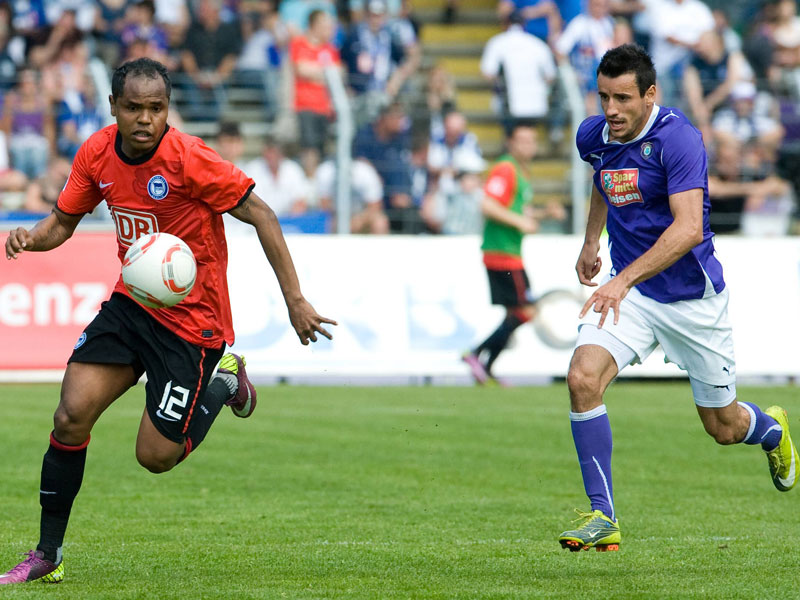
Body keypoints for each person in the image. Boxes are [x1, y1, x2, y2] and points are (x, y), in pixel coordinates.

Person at [0, 57, 336, 584]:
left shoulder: (190, 158)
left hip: (192, 322)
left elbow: (263, 214)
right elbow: (62, 223)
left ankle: (224, 379)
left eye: (156, 108)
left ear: (167, 110)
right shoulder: (96, 153)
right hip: (132, 305)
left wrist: (295, 299)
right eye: (133, 107)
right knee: (69, 417)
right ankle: (47, 553)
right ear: (114, 107)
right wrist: (28, 237)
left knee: (155, 457)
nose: (144, 119)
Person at [558, 44, 797, 553]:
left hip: (693, 301)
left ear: (650, 94)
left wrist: (620, 280)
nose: (611, 110)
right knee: (582, 379)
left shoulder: (678, 139)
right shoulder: (595, 136)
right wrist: (590, 242)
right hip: (634, 295)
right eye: (603, 97)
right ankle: (603, 514)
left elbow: (688, 229)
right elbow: (603, 180)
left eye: (622, 98)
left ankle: (772, 430)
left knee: (724, 427)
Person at [461, 123, 544, 385]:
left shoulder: (520, 172)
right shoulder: (505, 169)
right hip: (502, 253)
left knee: (515, 313)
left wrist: (541, 215)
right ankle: (475, 354)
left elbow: (514, 210)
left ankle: (485, 366)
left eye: (531, 141)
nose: (527, 146)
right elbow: (488, 205)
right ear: (510, 143)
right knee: (526, 311)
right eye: (522, 140)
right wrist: (521, 223)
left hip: (509, 251)